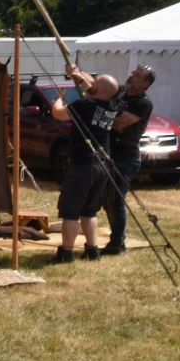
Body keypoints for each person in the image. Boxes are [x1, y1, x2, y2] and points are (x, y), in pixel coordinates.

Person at [49, 64, 121, 262]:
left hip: (83, 165)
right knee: (89, 210)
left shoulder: (85, 105)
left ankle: (66, 253)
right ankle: (92, 250)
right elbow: (92, 88)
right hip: (102, 165)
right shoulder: (111, 105)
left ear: (102, 89)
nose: (91, 81)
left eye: (96, 81)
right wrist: (77, 72)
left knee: (71, 210)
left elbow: (58, 114)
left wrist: (59, 98)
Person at [102, 64, 156, 255]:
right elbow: (96, 87)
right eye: (133, 73)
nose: (132, 76)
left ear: (145, 84)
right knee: (105, 200)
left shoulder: (143, 103)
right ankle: (117, 238)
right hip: (110, 154)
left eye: (137, 76)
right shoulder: (121, 93)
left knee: (116, 200)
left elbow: (119, 124)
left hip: (126, 157)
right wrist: (77, 74)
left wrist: (96, 113)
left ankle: (117, 243)